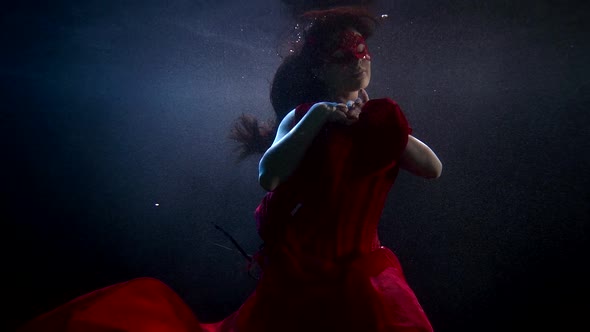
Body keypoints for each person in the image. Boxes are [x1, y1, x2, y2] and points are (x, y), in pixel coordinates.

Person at [18, 6, 441, 332]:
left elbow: (432, 169)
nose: (359, 62)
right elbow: (269, 176)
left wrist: (381, 127)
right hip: (305, 273)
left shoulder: (380, 123)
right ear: (319, 67)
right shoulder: (302, 115)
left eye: (363, 53)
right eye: (344, 56)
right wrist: (320, 118)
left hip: (368, 267)